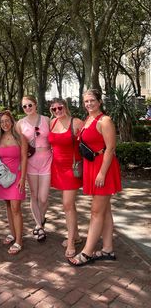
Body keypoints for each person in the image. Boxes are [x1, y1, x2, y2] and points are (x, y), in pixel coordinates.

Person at [69, 89, 122, 266]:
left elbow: (111, 148)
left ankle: (87, 252)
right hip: (93, 167)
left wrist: (102, 172)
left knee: (96, 212)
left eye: (92, 100)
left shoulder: (105, 120)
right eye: (86, 101)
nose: (89, 104)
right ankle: (108, 249)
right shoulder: (88, 119)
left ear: (99, 102)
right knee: (105, 210)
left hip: (103, 168)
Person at [48, 98, 83, 258]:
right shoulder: (52, 123)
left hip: (72, 169)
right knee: (70, 205)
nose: (57, 111)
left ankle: (70, 242)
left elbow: (90, 140)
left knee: (67, 204)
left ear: (65, 107)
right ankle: (75, 236)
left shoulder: (76, 122)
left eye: (59, 107)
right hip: (57, 168)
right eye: (54, 109)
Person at [17, 95, 52, 242]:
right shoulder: (20, 123)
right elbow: (16, 142)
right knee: (34, 195)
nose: (27, 108)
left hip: (47, 160)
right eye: (24, 106)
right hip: (31, 161)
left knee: (43, 198)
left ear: (36, 104)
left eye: (30, 105)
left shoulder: (47, 120)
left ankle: (41, 220)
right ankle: (39, 226)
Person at [0, 110, 27, 255]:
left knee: (16, 207)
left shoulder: (20, 138)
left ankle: (19, 240)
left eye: (7, 121)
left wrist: (22, 178)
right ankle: (13, 233)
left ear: (12, 121)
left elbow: (25, 159)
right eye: (2, 122)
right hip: (3, 177)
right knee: (8, 205)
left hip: (17, 175)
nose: (5, 124)